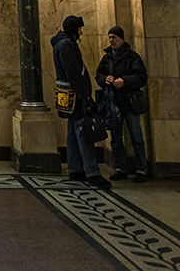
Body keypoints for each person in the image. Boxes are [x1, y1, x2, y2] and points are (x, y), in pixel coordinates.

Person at [50, 15, 108, 188]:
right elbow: (74, 74)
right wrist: (85, 97)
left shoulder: (61, 43)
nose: (81, 32)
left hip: (67, 95)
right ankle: (92, 172)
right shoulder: (66, 45)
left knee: (73, 132)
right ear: (73, 29)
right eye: (80, 29)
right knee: (83, 132)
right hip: (75, 96)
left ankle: (75, 168)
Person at [96, 26, 151, 181]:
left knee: (136, 135)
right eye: (110, 37)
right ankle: (120, 167)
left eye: (114, 37)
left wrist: (124, 81)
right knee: (115, 137)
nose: (112, 40)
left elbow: (141, 77)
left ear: (122, 39)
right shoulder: (107, 58)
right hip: (113, 102)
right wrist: (104, 79)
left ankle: (141, 169)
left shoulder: (133, 57)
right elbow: (99, 73)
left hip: (129, 101)